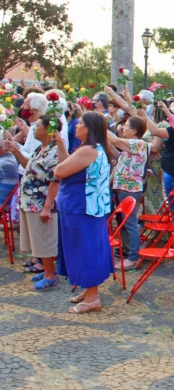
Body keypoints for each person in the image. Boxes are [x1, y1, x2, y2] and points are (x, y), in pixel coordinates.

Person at [54, 112, 114, 314]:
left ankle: (92, 298)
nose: (76, 126)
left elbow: (59, 172)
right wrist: (61, 144)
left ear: (88, 128)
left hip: (82, 208)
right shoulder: (90, 149)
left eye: (80, 123)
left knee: (86, 251)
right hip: (82, 206)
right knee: (82, 249)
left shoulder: (88, 150)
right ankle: (88, 292)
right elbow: (67, 165)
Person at [6, 116, 61, 290]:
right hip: (30, 201)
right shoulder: (41, 148)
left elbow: (54, 180)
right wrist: (15, 150)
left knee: (44, 239)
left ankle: (50, 275)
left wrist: (47, 207)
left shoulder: (54, 151)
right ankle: (46, 270)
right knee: (37, 239)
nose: (34, 129)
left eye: (38, 126)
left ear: (47, 130)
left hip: (40, 202)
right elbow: (30, 167)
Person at [107, 116, 148, 269]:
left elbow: (116, 142)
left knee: (129, 222)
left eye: (125, 126)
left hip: (129, 188)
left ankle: (133, 256)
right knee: (122, 222)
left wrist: (99, 125)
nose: (122, 128)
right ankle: (127, 250)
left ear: (134, 130)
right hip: (122, 187)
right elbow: (119, 157)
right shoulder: (130, 147)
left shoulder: (139, 144)